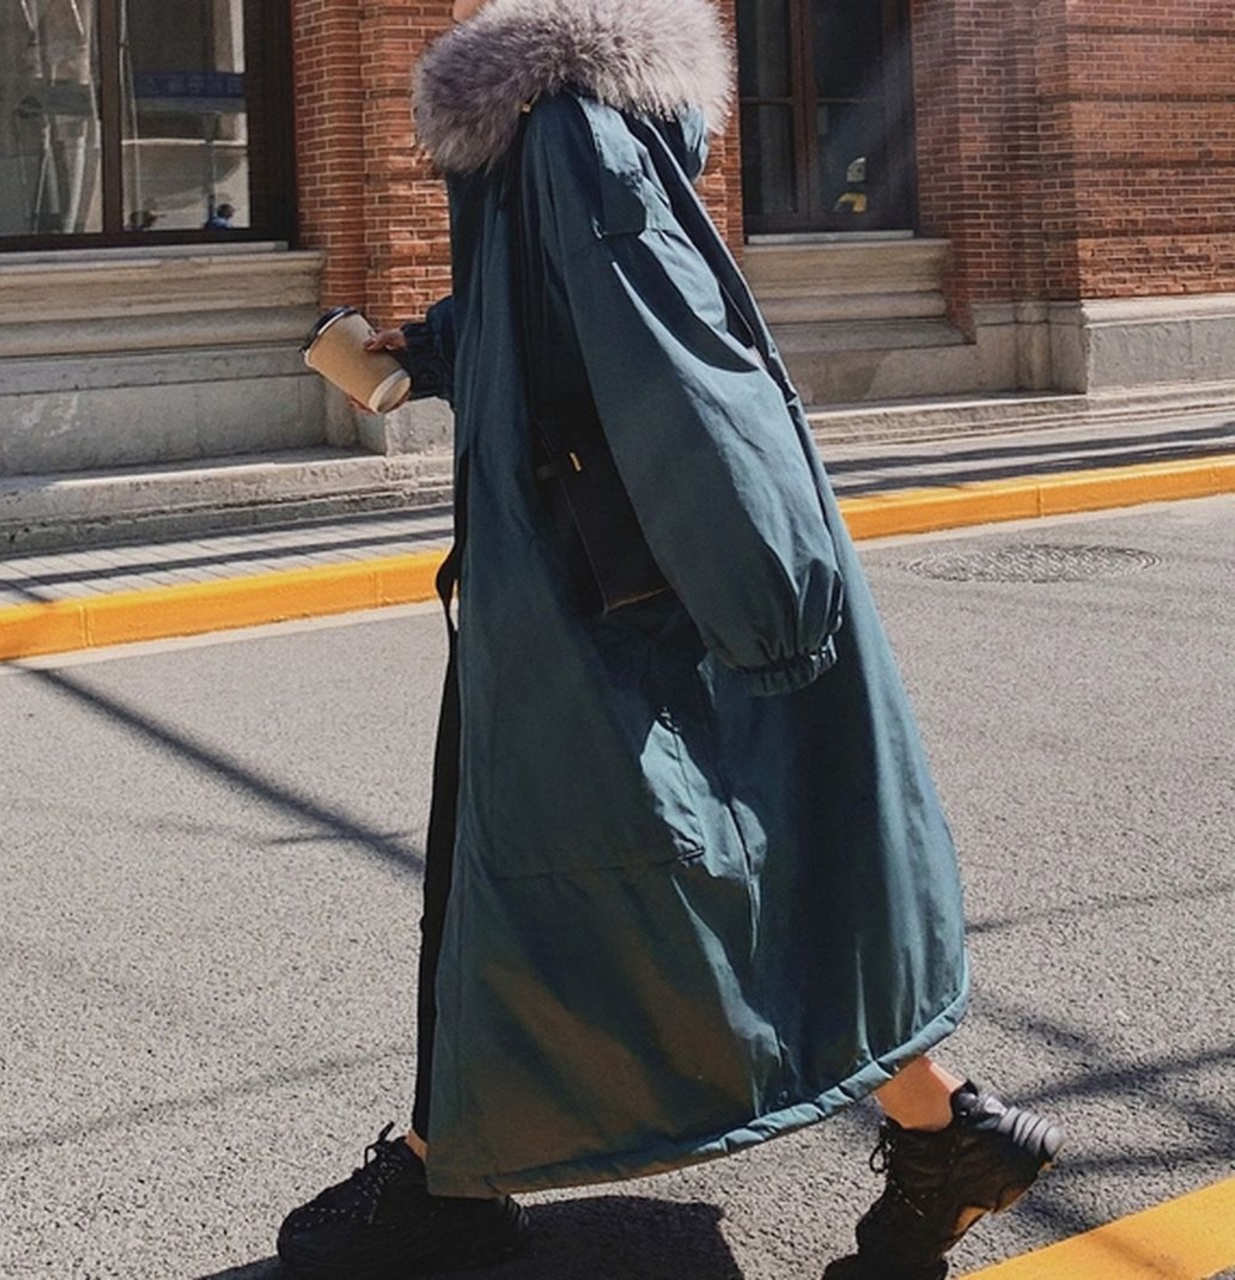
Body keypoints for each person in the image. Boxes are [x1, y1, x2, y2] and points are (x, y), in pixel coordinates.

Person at [276, 2, 1065, 1278]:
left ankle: (449, 1173)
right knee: (693, 865)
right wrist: (431, 347)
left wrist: (773, 621)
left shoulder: (565, 128)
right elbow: (568, 311)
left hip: (605, 604)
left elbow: (673, 361)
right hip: (590, 582)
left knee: (583, 871)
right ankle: (935, 1128)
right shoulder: (560, 122)